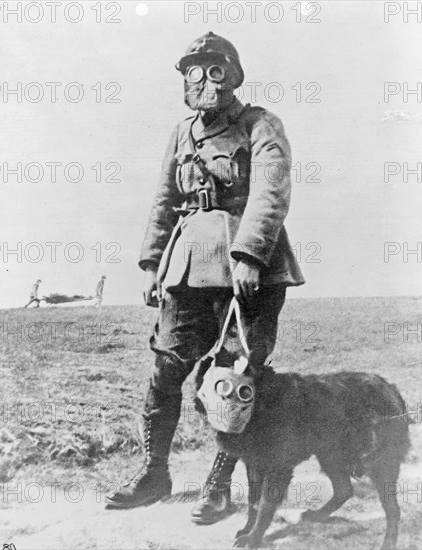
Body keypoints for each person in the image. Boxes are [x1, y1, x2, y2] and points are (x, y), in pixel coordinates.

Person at [106, 32, 305, 523]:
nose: (206, 81)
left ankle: (219, 485)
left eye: (217, 70)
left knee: (233, 378)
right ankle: (154, 473)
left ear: (234, 75)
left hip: (247, 271)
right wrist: (153, 263)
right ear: (186, 81)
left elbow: (270, 191)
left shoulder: (261, 124)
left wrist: (251, 255)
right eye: (195, 71)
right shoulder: (181, 132)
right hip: (187, 267)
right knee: (166, 370)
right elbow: (164, 201)